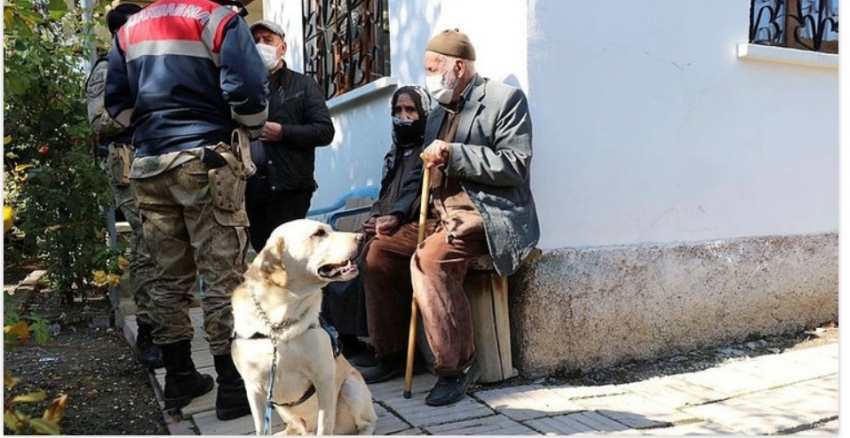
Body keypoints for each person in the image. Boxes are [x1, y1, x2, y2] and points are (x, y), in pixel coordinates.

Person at [104, 0, 269, 421]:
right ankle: (233, 386)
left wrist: (150, 127)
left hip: (148, 163)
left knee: (166, 275)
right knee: (222, 275)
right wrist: (248, 129)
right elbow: (248, 89)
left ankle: (179, 376)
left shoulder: (129, 29)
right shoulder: (218, 19)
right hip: (203, 157)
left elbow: (116, 103)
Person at [359, 29, 540, 407]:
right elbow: (418, 174)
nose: (427, 76)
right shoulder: (437, 112)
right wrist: (394, 214)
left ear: (458, 67)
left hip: (483, 214)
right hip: (439, 215)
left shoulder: (505, 100)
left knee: (430, 260)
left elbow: (515, 165)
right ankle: (390, 354)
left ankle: (456, 367)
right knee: (380, 251)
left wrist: (456, 154)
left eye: (431, 68)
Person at [321, 85, 432, 366]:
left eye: (410, 110)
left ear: (423, 114)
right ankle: (347, 339)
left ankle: (390, 353)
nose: (403, 117)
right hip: (387, 222)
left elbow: (416, 194)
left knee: (374, 256)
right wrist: (374, 217)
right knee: (339, 259)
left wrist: (392, 217)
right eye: (397, 110)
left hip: (412, 224)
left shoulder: (428, 153)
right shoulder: (394, 155)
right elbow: (384, 195)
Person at [85, 1, 163, 370]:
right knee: (148, 245)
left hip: (164, 158)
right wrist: (148, 105)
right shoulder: (106, 67)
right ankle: (149, 332)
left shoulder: (152, 60)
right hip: (129, 164)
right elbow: (99, 121)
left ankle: (169, 327)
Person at [246, 20, 335, 252]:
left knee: (287, 256)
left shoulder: (303, 84)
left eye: (267, 40)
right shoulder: (242, 87)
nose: (260, 46)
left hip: (289, 189)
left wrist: (283, 132)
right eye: (255, 41)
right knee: (261, 254)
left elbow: (325, 131)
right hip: (251, 188)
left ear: (282, 47)